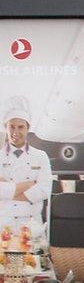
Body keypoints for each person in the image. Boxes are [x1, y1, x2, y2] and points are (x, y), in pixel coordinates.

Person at [0, 97, 52, 249]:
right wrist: (28, 184)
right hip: (4, 225)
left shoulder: (40, 156)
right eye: (12, 127)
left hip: (32, 225)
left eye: (20, 127)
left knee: (35, 267)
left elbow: (44, 190)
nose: (16, 132)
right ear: (6, 128)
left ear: (28, 128)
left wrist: (8, 190)